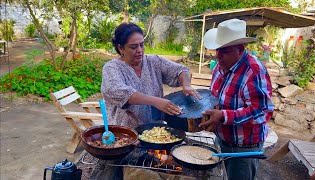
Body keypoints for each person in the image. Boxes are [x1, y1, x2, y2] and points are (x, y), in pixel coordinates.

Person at [199, 19, 274, 180]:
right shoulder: (220, 66)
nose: (218, 55)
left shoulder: (253, 70)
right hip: (222, 140)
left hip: (244, 147)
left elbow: (262, 110)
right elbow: (216, 98)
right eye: (217, 50)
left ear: (240, 49)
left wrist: (223, 116)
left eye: (224, 51)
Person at [101, 22, 200, 128]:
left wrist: (186, 84)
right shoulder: (112, 68)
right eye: (133, 47)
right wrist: (156, 101)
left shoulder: (153, 61)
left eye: (142, 45)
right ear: (120, 48)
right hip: (125, 132)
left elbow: (181, 70)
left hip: (154, 131)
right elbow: (121, 92)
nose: (139, 50)